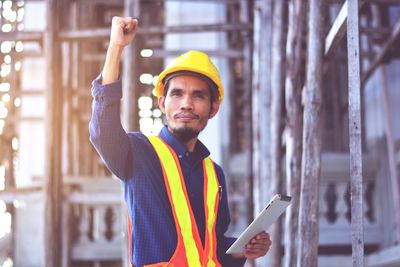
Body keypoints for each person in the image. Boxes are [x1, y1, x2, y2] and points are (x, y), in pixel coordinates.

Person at [89, 16, 272, 267]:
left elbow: (209, 248)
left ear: (213, 108)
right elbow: (102, 130)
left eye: (198, 96)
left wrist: (243, 248)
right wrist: (115, 47)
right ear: (162, 103)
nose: (186, 103)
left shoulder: (214, 174)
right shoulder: (138, 154)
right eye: (177, 94)